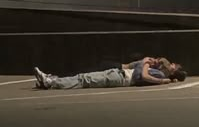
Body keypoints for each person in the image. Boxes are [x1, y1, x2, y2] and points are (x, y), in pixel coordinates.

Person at [34, 57, 187, 90]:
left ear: (173, 71)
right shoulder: (160, 72)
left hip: (122, 78)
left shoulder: (160, 76)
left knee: (86, 79)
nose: (171, 64)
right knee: (84, 77)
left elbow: (142, 76)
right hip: (119, 73)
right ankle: (51, 80)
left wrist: (145, 63)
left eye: (174, 65)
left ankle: (51, 82)